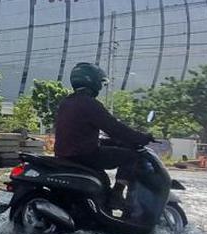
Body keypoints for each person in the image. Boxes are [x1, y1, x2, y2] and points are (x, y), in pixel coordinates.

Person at [54, 62, 154, 205]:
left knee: (105, 172)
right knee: (131, 157)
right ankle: (117, 195)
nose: (100, 86)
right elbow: (114, 127)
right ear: (92, 81)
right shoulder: (89, 104)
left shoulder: (66, 102)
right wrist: (140, 137)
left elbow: (80, 131)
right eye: (99, 82)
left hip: (65, 154)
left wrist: (115, 141)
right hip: (84, 155)